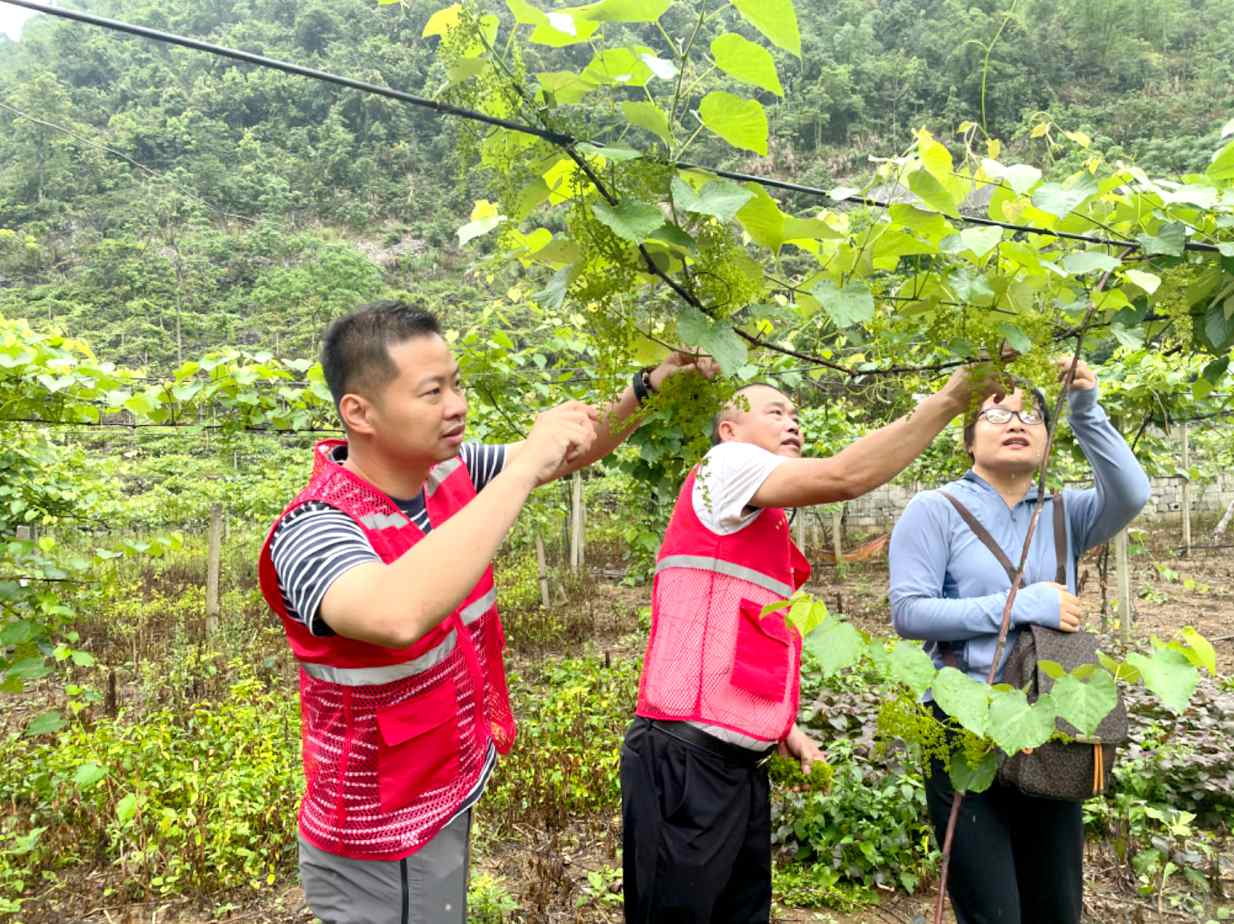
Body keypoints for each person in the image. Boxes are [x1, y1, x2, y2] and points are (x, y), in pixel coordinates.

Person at [256, 299, 713, 924]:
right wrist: (525, 462)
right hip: (379, 830)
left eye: (457, 383)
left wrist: (646, 388)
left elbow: (569, 454)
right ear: (358, 412)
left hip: (441, 789)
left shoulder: (448, 473)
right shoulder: (314, 529)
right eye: (431, 391)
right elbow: (394, 614)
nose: (456, 405)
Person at [621, 366, 1002, 924]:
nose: (792, 423)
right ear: (728, 429)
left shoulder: (763, 519)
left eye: (795, 415)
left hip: (735, 765)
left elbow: (742, 632)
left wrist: (784, 728)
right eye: (774, 412)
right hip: (687, 760)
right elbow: (846, 477)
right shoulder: (723, 467)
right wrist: (948, 401)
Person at [888, 358, 1151, 924]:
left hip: (1048, 727)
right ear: (969, 441)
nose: (1016, 422)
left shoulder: (1065, 512)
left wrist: (1085, 405)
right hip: (964, 724)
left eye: (1031, 414)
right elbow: (909, 612)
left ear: (1048, 441)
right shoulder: (936, 510)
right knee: (992, 911)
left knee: (1056, 906)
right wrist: (1020, 605)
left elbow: (1130, 493)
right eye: (997, 413)